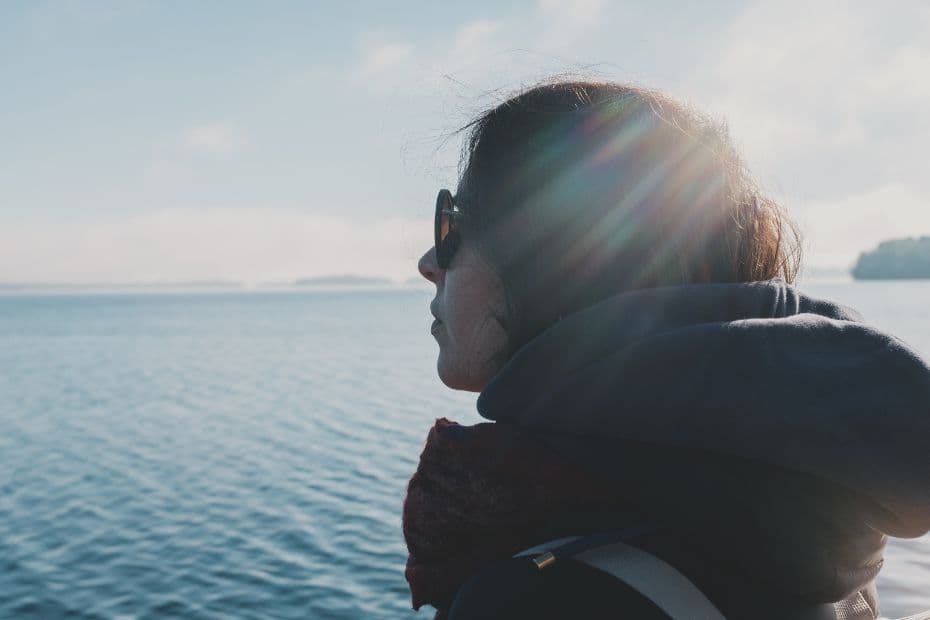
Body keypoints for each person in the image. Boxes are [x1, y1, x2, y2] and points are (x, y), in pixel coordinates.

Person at [404, 80, 930, 619]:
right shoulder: (808, 529)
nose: (428, 263)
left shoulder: (538, 597)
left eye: (452, 224)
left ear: (553, 258)